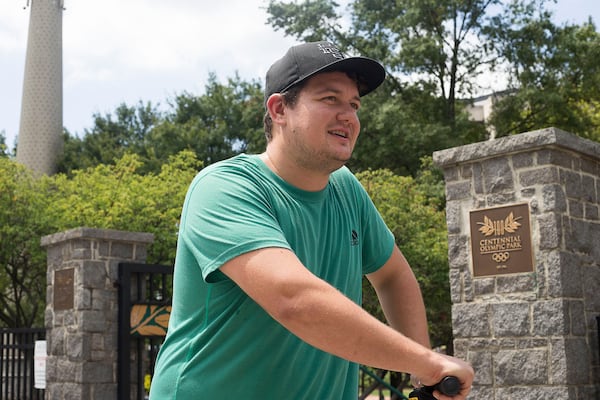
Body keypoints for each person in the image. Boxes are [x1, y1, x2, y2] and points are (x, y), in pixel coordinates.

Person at [149, 40, 474, 400]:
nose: (348, 116)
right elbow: (294, 300)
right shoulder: (225, 188)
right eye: (330, 99)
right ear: (279, 109)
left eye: (354, 104)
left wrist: (422, 377)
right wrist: (428, 361)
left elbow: (393, 275)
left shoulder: (346, 190)